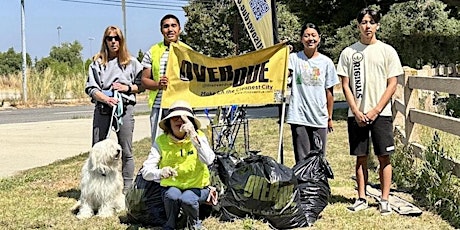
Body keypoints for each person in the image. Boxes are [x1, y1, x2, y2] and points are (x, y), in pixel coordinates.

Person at [337, 8, 403, 216]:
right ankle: (361, 197)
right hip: (356, 114)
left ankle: (384, 199)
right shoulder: (349, 53)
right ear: (358, 25)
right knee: (361, 157)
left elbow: (392, 84)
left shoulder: (387, 51)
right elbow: (345, 85)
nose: (368, 26)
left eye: (371, 22)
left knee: (384, 156)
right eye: (364, 22)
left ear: (377, 25)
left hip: (380, 114)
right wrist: (356, 111)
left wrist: (375, 110)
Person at [85, 25, 144, 193]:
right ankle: (95, 188)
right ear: (105, 41)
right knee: (97, 149)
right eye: (109, 38)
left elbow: (142, 85)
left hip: (124, 109)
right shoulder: (97, 63)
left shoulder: (132, 63)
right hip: (103, 108)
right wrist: (105, 98)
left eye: (116, 38)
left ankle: (126, 189)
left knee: (126, 150)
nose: (113, 41)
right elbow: (91, 88)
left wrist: (126, 88)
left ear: (121, 40)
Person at [140, 100, 215, 230]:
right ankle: (171, 224)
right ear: (169, 122)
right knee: (172, 195)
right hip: (172, 186)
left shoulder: (199, 137)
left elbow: (209, 160)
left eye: (184, 118)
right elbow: (146, 171)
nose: (179, 121)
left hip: (198, 187)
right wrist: (160, 172)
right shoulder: (161, 141)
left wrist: (193, 136)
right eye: (175, 117)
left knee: (187, 199)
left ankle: (194, 224)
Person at [286, 23, 339, 163]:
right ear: (301, 39)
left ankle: (317, 184)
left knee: (318, 158)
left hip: (319, 117)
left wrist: (329, 117)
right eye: (306, 35)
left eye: (313, 35)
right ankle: (303, 184)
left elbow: (330, 92)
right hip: (299, 116)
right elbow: (282, 73)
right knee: (302, 158)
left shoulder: (326, 63)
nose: (310, 39)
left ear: (319, 38)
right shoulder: (294, 59)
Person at [141, 14, 191, 144]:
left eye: (173, 26)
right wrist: (158, 84)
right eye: (166, 26)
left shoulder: (188, 51)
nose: (170, 29)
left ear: (179, 29)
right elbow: (144, 80)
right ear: (161, 30)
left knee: (184, 141)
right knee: (158, 143)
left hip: (181, 106)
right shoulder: (153, 51)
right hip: (160, 106)